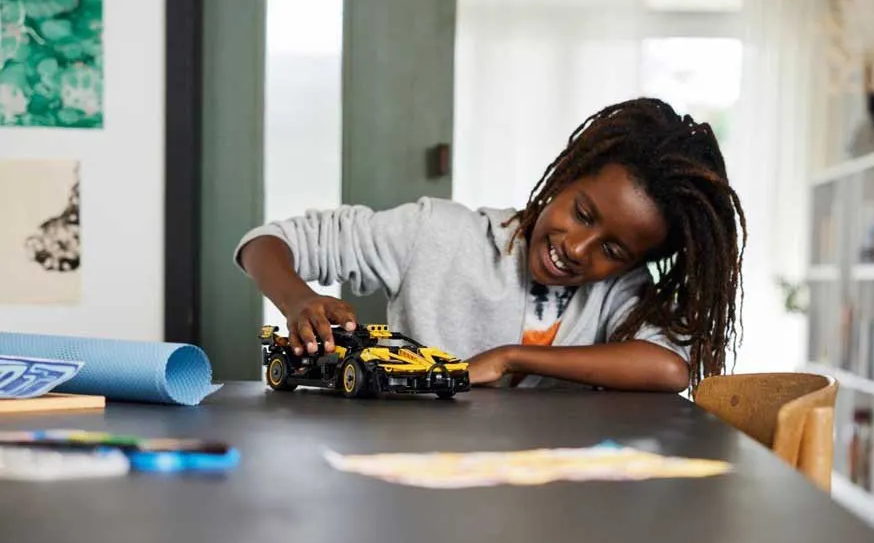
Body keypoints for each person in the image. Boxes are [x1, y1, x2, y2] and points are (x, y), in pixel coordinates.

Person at [235, 98, 746, 392]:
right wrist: (299, 301)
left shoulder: (620, 293)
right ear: (566, 177)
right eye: (582, 214)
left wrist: (511, 358)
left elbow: (668, 367)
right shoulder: (436, 233)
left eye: (613, 251)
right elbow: (267, 242)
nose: (578, 248)